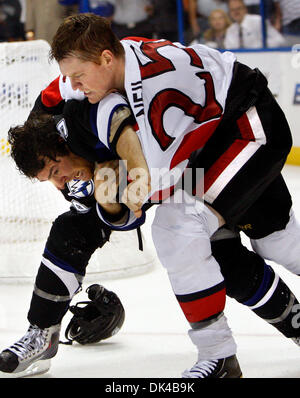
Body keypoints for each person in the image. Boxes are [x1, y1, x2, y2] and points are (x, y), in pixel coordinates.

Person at [3, 61, 300, 378]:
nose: (60, 182)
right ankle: (42, 332)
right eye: (49, 177)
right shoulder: (63, 140)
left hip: (222, 147)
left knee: (276, 242)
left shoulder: (94, 104)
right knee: (74, 230)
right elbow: (125, 212)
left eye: (55, 172)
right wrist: (110, 201)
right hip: (177, 173)